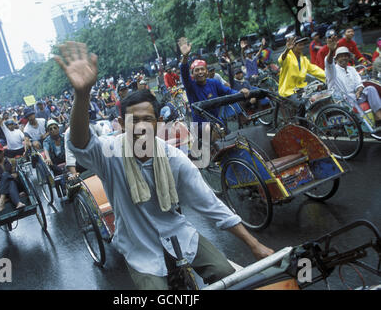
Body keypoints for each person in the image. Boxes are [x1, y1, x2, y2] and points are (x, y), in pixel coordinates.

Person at [54, 41, 274, 290]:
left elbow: (211, 205)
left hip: (177, 232)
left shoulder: (174, 158)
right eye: (132, 120)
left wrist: (254, 245)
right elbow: (81, 143)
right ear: (121, 124)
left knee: (224, 273)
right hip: (138, 246)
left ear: (158, 122)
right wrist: (82, 95)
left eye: (147, 119)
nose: (140, 127)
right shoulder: (109, 154)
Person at [178, 37, 250, 140]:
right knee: (217, 131)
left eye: (202, 69)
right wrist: (185, 57)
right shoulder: (191, 86)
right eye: (196, 70)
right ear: (193, 74)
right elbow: (184, 74)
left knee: (234, 139)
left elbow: (229, 92)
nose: (200, 72)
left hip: (217, 121)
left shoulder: (214, 83)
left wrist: (240, 92)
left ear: (206, 71)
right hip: (200, 125)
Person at [325, 43, 381, 127]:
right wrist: (331, 51)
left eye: (346, 56)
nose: (344, 58)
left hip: (355, 96)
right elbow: (328, 63)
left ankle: (378, 118)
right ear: (336, 59)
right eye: (341, 56)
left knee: (371, 89)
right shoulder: (332, 70)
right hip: (343, 100)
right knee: (351, 97)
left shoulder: (351, 69)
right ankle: (367, 125)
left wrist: (359, 91)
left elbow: (359, 83)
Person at [278, 35, 326, 118]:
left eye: (303, 44)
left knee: (318, 97)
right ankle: (301, 124)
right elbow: (281, 60)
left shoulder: (304, 59)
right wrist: (287, 50)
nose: (302, 47)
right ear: (293, 46)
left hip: (301, 88)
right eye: (299, 45)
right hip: (288, 91)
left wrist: (328, 77)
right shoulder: (288, 57)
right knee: (301, 104)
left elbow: (315, 70)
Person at [0, 142, 25, 212]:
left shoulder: (12, 161)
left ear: (3, 151)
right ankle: (18, 203)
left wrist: (0, 180)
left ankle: (1, 202)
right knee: (10, 181)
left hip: (17, 186)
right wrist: (6, 179)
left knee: (6, 176)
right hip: (0, 190)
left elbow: (15, 176)